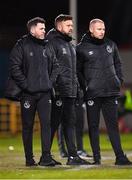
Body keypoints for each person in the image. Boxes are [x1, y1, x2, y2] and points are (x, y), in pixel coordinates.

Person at [76, 18, 132, 165]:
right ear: (91, 30)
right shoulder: (81, 48)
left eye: (103, 29)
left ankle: (120, 157)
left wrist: (118, 81)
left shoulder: (110, 44)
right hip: (93, 93)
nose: (102, 31)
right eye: (99, 29)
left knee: (113, 125)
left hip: (110, 92)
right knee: (93, 126)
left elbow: (118, 64)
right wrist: (86, 86)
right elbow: (77, 71)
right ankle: (97, 158)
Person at [5, 17, 61, 167]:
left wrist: (50, 83)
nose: (44, 30)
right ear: (32, 30)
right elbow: (14, 67)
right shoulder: (21, 45)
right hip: (28, 94)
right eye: (41, 28)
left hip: (45, 93)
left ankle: (46, 157)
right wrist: (26, 85)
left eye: (44, 28)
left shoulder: (48, 46)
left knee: (47, 125)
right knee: (28, 126)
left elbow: (56, 66)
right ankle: (29, 159)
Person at [46, 14, 91, 165]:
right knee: (52, 125)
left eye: (72, 25)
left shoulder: (69, 45)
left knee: (70, 123)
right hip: (58, 92)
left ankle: (73, 156)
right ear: (59, 26)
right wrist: (54, 88)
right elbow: (50, 67)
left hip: (70, 91)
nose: (71, 28)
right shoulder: (52, 43)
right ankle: (45, 156)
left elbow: (72, 71)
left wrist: (77, 88)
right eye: (68, 25)